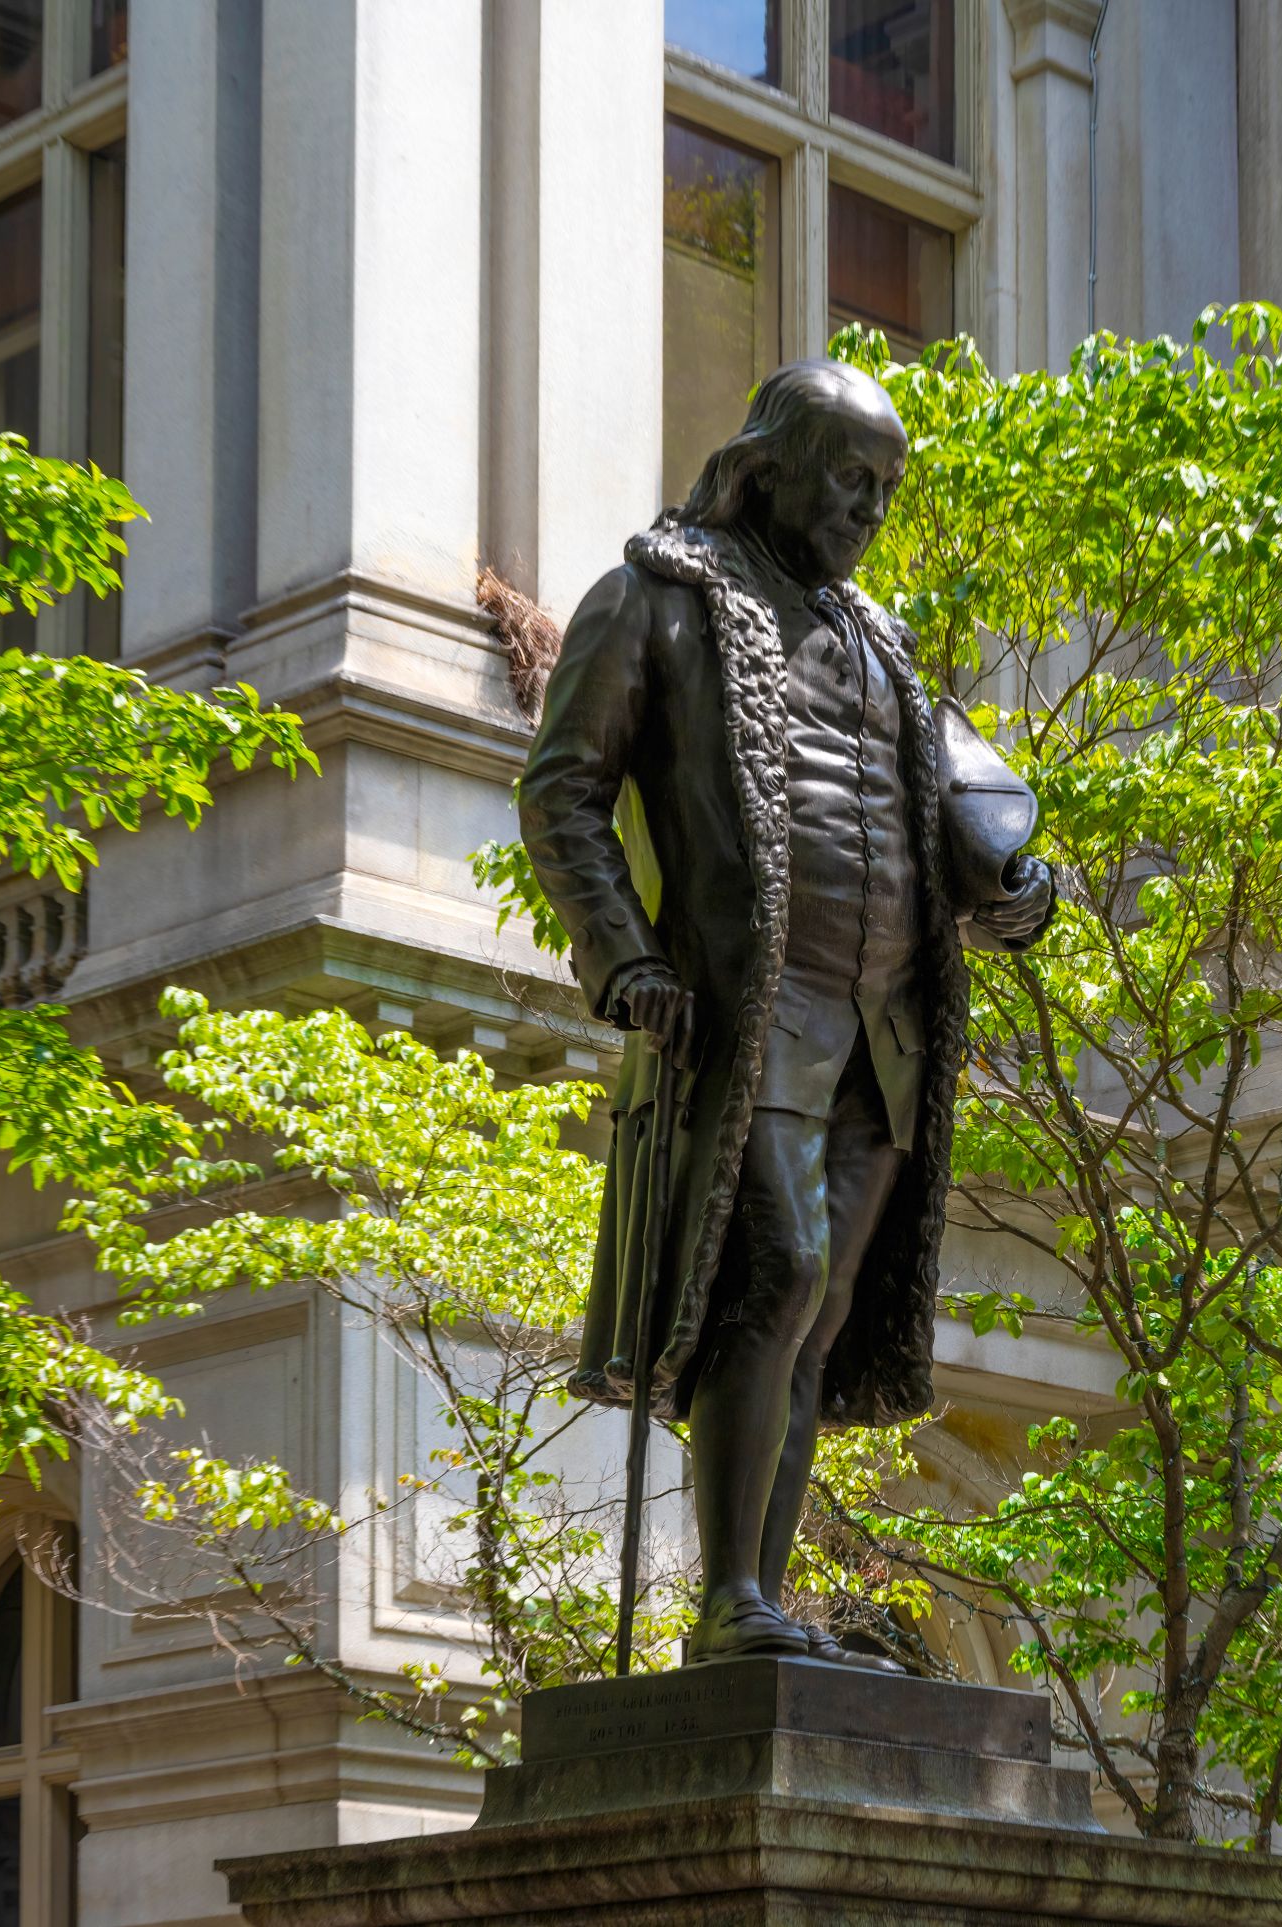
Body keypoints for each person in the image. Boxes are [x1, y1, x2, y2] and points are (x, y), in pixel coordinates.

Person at [520, 360, 1054, 1665]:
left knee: (816, 1311)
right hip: (753, 1010)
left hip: (886, 1029)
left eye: (885, 489)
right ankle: (727, 1609)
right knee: (784, 1272)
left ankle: (755, 1596)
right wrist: (625, 961)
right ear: (772, 463)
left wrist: (1015, 893)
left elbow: (949, 833)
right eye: (847, 479)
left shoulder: (883, 643)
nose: (868, 508)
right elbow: (562, 792)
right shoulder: (658, 599)